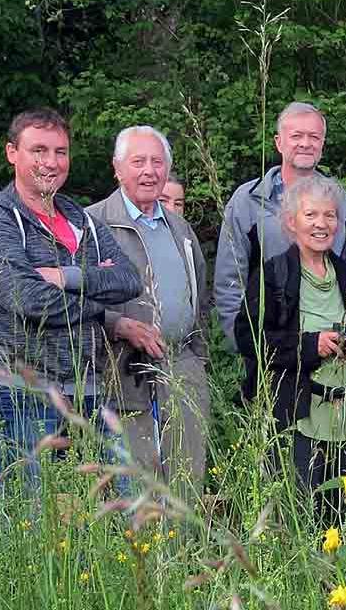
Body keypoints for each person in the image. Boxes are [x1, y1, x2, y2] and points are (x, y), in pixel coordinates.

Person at [0, 108, 142, 492]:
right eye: (39, 150)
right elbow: (29, 298)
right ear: (12, 153)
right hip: (19, 389)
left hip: (87, 386)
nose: (51, 162)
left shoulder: (80, 218)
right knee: (28, 509)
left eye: (60, 152)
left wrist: (66, 277)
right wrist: (98, 308)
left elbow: (130, 280)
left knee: (123, 505)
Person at [233, 175, 346, 526]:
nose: (321, 224)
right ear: (290, 222)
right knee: (299, 516)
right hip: (298, 417)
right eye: (311, 215)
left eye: (329, 215)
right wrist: (312, 345)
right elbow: (249, 339)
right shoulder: (273, 276)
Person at [88, 126, 211, 502]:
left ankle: (184, 542)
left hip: (181, 366)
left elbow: (200, 298)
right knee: (135, 486)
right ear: (117, 168)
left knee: (187, 479)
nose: (149, 171)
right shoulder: (94, 224)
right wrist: (119, 325)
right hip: (121, 372)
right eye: (138, 161)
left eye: (157, 162)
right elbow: (71, 301)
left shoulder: (179, 227)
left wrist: (198, 360)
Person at [215, 102, 346, 349]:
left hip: (334, 348)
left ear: (322, 144)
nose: (306, 143)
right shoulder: (248, 202)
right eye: (296, 136)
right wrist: (246, 344)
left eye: (314, 137)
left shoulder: (342, 203)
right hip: (269, 349)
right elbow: (229, 281)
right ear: (279, 143)